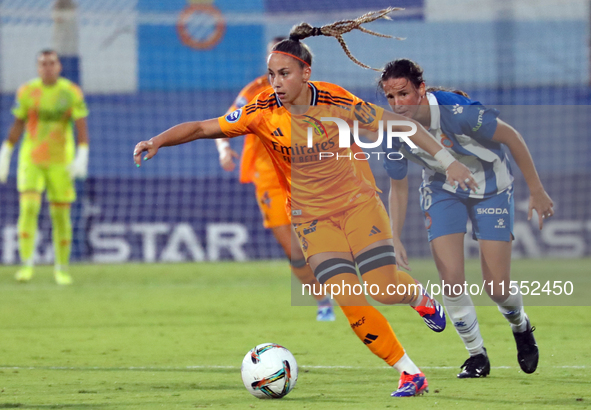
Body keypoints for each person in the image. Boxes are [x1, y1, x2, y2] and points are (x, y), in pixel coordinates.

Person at [134, 8, 477, 397]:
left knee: (382, 289)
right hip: (311, 217)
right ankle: (409, 373)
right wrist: (157, 140)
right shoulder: (260, 110)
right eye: (272, 74)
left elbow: (405, 125)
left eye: (285, 74)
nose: (276, 82)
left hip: (357, 203)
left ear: (306, 74)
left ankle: (418, 296)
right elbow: (202, 127)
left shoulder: (337, 101)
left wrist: (449, 162)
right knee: (349, 298)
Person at [379, 58, 554, 378]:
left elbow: (511, 137)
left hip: (492, 187)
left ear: (421, 89)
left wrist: (537, 190)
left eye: (403, 94)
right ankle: (476, 356)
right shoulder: (393, 130)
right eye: (390, 97)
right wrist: (395, 236)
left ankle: (521, 326)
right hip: (442, 190)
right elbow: (398, 187)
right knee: (451, 278)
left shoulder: (456, 110)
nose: (397, 104)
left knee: (497, 287)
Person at [216, 36, 335, 322]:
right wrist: (224, 150)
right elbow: (225, 122)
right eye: (272, 61)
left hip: (308, 176)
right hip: (269, 178)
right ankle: (322, 300)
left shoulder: (313, 93)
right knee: (293, 250)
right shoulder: (256, 91)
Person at [0, 49, 89, 285]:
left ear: (59, 66)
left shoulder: (70, 92)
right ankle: (26, 265)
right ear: (38, 68)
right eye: (43, 64)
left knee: (60, 214)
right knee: (28, 207)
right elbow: (19, 122)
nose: (47, 67)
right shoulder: (28, 91)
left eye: (51, 63)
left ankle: (61, 268)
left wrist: (83, 154)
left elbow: (80, 124)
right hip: (32, 159)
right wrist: (6, 152)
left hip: (61, 161)